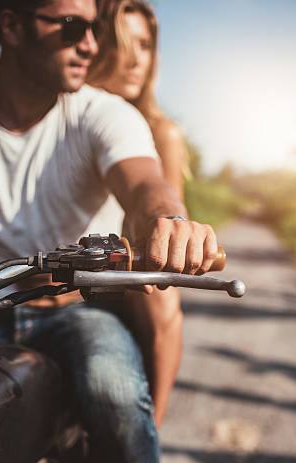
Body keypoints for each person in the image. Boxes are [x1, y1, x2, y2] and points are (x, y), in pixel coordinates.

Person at [0, 1, 218, 463]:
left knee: (115, 391)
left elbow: (147, 186)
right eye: (70, 25)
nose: (91, 43)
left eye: (94, 27)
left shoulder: (103, 115)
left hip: (77, 311)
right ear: (12, 25)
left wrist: (171, 223)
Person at [88, 0, 186, 429]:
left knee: (162, 299)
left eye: (145, 45)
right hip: (74, 259)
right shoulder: (75, 115)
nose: (135, 59)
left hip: (128, 263)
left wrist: (168, 235)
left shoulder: (162, 131)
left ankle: (152, 430)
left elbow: (167, 206)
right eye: (123, 43)